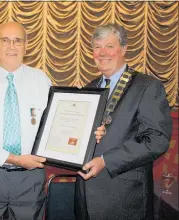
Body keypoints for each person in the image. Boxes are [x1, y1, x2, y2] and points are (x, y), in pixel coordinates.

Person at [0, 21, 105, 220]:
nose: (12, 46)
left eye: (18, 41)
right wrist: (12, 158)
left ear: (26, 46)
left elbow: (57, 126)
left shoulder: (41, 81)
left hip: (30, 178)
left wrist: (85, 122)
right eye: (5, 40)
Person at [75, 23, 173, 220]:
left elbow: (157, 139)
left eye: (109, 46)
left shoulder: (147, 86)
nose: (102, 53)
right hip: (85, 195)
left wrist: (106, 161)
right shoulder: (89, 88)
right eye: (97, 47)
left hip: (125, 198)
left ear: (124, 49)